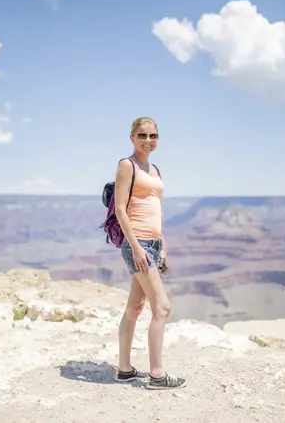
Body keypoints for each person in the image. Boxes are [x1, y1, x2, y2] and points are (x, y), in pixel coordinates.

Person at [112, 116, 187, 390]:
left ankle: (124, 370)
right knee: (163, 307)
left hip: (152, 243)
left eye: (153, 136)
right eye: (142, 135)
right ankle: (157, 375)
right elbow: (121, 209)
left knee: (134, 308)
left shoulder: (155, 169)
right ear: (132, 137)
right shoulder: (127, 165)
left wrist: (162, 245)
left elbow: (158, 208)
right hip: (138, 243)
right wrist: (136, 248)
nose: (148, 141)